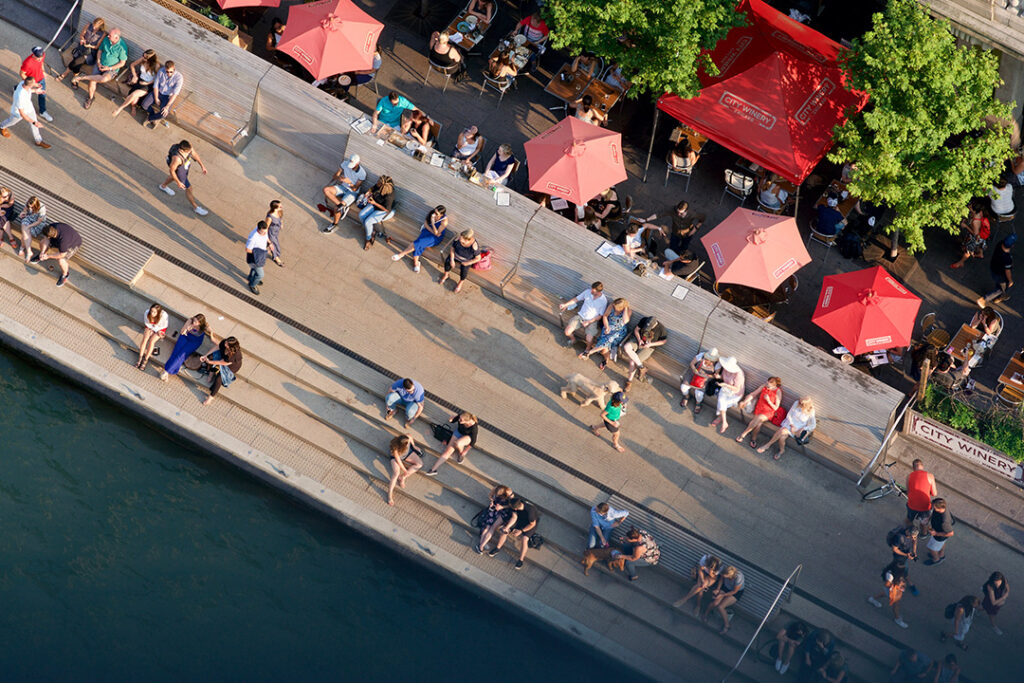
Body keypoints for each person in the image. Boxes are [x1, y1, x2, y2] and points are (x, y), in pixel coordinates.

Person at [71, 28, 127, 110]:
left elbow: (122, 63)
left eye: (110, 35)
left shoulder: (122, 48)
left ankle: (82, 77)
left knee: (103, 78)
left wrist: (109, 68)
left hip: (111, 69)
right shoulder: (106, 40)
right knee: (92, 81)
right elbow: (100, 51)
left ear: (116, 37)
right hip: (100, 64)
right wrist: (98, 61)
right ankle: (90, 98)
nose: (108, 36)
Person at [159, 140, 210, 216]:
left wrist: (202, 166)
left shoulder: (188, 148)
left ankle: (163, 186)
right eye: (187, 152)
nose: (189, 153)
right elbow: (172, 170)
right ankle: (196, 207)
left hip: (183, 165)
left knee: (174, 177)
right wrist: (178, 182)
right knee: (189, 188)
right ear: (181, 150)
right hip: (178, 168)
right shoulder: (177, 159)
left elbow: (195, 154)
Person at [392, 205, 449, 273]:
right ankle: (416, 262)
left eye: (437, 213)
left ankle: (401, 254)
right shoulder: (432, 213)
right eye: (435, 211)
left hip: (435, 238)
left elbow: (437, 234)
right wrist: (432, 230)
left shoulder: (444, 221)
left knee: (419, 242)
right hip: (428, 230)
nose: (434, 214)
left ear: (441, 215)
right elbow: (426, 224)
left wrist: (433, 222)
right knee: (420, 243)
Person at [159, 314, 214, 382]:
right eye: (194, 320)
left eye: (196, 322)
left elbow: (211, 331)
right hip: (185, 336)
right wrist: (187, 328)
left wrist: (211, 335)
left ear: (200, 323)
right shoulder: (190, 321)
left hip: (195, 341)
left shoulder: (204, 326)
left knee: (181, 355)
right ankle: (169, 370)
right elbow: (182, 331)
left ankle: (166, 371)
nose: (194, 323)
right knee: (176, 351)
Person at [0, 77, 51, 149]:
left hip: (29, 108)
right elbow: (22, 114)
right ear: (30, 85)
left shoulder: (23, 83)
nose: (36, 84)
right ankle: (2, 126)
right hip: (18, 113)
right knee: (12, 122)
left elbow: (29, 90)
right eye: (34, 83)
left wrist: (36, 90)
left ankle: (38, 141)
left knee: (34, 125)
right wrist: (34, 122)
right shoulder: (20, 97)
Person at [488, 497, 538, 569]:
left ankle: (521, 560)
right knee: (505, 531)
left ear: (515, 509)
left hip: (529, 523)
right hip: (520, 520)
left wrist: (521, 531)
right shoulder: (518, 503)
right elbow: (514, 517)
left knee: (524, 539)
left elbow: (532, 524)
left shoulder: (530, 511)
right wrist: (507, 527)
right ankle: (497, 548)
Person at [581, 298, 631, 370]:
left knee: (609, 340)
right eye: (615, 307)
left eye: (617, 308)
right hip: (608, 327)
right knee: (604, 349)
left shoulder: (628, 311)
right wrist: (607, 327)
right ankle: (606, 360)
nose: (615, 309)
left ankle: (588, 352)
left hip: (618, 332)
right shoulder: (612, 305)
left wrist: (625, 308)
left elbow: (625, 321)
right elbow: (605, 316)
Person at [319, 155, 366, 229]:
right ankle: (341, 206)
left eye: (353, 166)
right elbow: (335, 176)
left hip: (352, 192)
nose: (350, 167)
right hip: (342, 187)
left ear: (358, 163)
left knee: (336, 208)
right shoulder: (345, 163)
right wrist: (339, 178)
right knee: (326, 190)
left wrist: (349, 183)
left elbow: (355, 189)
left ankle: (334, 224)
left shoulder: (362, 173)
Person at [559, 281, 608, 353]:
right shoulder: (587, 292)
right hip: (580, 316)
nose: (591, 291)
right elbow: (576, 299)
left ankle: (588, 349)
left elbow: (600, 316)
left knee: (589, 339)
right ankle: (573, 340)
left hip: (592, 321)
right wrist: (565, 305)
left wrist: (588, 322)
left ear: (599, 292)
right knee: (567, 332)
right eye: (591, 289)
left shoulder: (603, 300)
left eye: (593, 291)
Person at [735, 376, 782, 448]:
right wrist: (745, 402)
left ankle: (743, 434)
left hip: (768, 412)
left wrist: (768, 400)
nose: (768, 383)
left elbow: (776, 407)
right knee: (758, 424)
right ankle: (753, 439)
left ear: (775, 384)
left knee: (759, 419)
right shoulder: (764, 386)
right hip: (759, 408)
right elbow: (753, 394)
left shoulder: (778, 391)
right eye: (768, 381)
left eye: (771, 382)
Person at [621, 315, 667, 388]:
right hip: (637, 340)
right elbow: (636, 330)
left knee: (633, 362)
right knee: (626, 347)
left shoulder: (661, 329)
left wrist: (651, 344)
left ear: (655, 324)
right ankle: (642, 367)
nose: (647, 328)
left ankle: (629, 381)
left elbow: (664, 341)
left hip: (649, 347)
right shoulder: (644, 320)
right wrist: (639, 340)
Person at [111, 49, 159, 119]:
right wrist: (135, 76)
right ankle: (133, 107)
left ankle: (119, 109)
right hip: (139, 80)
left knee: (134, 95)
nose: (144, 58)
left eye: (146, 57)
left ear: (151, 59)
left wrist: (147, 83)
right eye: (143, 56)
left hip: (147, 85)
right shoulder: (143, 59)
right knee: (133, 99)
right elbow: (132, 65)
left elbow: (156, 79)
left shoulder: (156, 65)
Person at [58, 17, 107, 83]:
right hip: (82, 47)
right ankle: (76, 77)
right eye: (93, 25)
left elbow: (97, 47)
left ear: (100, 27)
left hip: (90, 52)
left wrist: (90, 46)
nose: (93, 28)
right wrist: (82, 39)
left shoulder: (102, 34)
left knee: (77, 61)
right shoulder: (88, 25)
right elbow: (81, 35)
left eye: (96, 27)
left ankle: (65, 73)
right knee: (78, 62)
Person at [34, 223, 82, 288]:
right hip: (60, 238)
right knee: (42, 242)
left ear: (50, 236)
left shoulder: (63, 242)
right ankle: (42, 255)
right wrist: (42, 252)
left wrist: (48, 256)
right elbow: (46, 239)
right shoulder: (52, 227)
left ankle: (65, 275)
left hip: (74, 244)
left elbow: (62, 254)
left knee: (61, 260)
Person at [200, 336, 242, 406]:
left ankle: (211, 397)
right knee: (210, 357)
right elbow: (217, 347)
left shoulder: (235, 354)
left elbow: (221, 362)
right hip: (223, 358)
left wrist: (210, 362)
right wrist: (205, 355)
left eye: (227, 344)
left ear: (231, 347)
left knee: (219, 379)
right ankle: (211, 373)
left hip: (231, 366)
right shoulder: (224, 343)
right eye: (226, 342)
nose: (225, 343)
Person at [702, 565, 744, 634]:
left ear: (729, 576)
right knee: (715, 603)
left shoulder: (739, 577)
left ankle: (727, 625)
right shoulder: (724, 571)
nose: (724, 577)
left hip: (735, 592)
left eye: (725, 576)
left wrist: (722, 595)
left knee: (720, 607)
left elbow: (734, 591)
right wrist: (718, 589)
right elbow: (721, 579)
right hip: (725, 587)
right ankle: (705, 614)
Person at [976, 234, 1014, 307]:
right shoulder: (1007, 258)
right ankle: (983, 300)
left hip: (994, 268)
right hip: (1001, 275)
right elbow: (1007, 271)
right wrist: (1010, 280)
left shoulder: (1000, 244)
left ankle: (1001, 296)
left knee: (1001, 285)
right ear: (1012, 246)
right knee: (1000, 288)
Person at [141, 61, 184, 128]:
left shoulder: (179, 77)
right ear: (165, 69)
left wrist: (167, 106)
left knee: (164, 114)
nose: (169, 73)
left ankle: (150, 118)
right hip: (158, 92)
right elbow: (155, 86)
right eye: (167, 71)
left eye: (171, 72)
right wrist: (156, 98)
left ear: (174, 69)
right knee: (144, 105)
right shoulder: (161, 71)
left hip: (168, 96)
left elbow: (175, 94)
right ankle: (154, 116)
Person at [357, 175, 395, 249]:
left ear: (383, 186)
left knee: (368, 222)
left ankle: (368, 239)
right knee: (361, 215)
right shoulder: (378, 185)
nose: (377, 182)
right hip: (374, 204)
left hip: (382, 210)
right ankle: (371, 231)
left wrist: (374, 203)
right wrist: (368, 192)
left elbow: (386, 209)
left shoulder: (389, 196)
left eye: (378, 182)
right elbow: (372, 188)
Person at [867, 561, 909, 628]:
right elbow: (887, 585)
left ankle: (872, 599)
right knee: (896, 604)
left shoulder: (895, 571)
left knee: (884, 594)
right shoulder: (891, 576)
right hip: (893, 590)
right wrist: (897, 586)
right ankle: (897, 619)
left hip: (894, 589)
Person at [679, 347, 720, 415]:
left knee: (699, 394)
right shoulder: (701, 355)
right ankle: (686, 396)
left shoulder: (717, 363)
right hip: (693, 375)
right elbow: (692, 364)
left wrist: (710, 376)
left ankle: (698, 403)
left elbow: (715, 375)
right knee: (683, 387)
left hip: (704, 379)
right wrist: (695, 370)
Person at [476, 484, 516, 553]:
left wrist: (502, 507)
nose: (497, 496)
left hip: (503, 512)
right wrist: (492, 502)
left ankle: (481, 545)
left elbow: (511, 505)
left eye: (499, 495)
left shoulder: (510, 494)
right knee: (487, 527)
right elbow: (490, 495)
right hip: (495, 509)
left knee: (492, 527)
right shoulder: (497, 489)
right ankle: (481, 546)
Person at [385, 434, 423, 507]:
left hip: (407, 454)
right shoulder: (395, 449)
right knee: (396, 473)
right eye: (407, 444)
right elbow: (399, 461)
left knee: (420, 464)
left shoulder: (406, 438)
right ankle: (389, 495)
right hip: (396, 458)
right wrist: (405, 470)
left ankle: (402, 478)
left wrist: (413, 445)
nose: (408, 443)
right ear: (402, 445)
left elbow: (410, 436)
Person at [950, 201, 991, 269]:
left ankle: (961, 262)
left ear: (975, 211)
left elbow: (975, 234)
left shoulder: (975, 222)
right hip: (982, 237)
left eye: (971, 208)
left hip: (975, 238)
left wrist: (965, 226)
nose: (969, 208)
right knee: (979, 245)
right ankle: (980, 253)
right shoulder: (980, 215)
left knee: (968, 251)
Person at [710, 356, 744, 434]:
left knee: (722, 403)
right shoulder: (725, 368)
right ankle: (724, 421)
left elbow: (737, 389)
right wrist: (719, 377)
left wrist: (725, 385)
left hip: (735, 393)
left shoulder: (739, 374)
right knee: (721, 401)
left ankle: (721, 418)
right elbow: (723, 377)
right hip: (725, 388)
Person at [904, 459, 937, 534]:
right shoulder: (930, 476)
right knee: (924, 523)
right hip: (925, 507)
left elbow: (908, 492)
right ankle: (923, 534)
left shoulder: (909, 476)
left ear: (913, 468)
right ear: (922, 466)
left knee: (909, 519)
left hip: (912, 505)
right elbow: (934, 493)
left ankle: (910, 531)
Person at [19, 47, 51, 122]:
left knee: (42, 94)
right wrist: (32, 83)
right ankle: (16, 88)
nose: (40, 59)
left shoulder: (42, 55)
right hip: (32, 81)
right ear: (33, 55)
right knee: (26, 94)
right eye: (38, 57)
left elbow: (41, 63)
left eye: (41, 57)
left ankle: (42, 112)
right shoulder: (27, 63)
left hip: (41, 79)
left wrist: (43, 71)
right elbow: (22, 74)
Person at [244, 221, 274, 295]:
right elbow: (248, 249)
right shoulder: (253, 237)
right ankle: (252, 285)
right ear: (258, 229)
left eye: (265, 231)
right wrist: (263, 253)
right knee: (260, 274)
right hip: (254, 258)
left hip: (259, 256)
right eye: (263, 232)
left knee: (254, 269)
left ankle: (251, 278)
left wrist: (270, 243)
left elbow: (266, 237)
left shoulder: (264, 230)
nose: (264, 233)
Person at [136, 303, 168, 371]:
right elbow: (147, 323)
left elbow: (164, 325)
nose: (152, 313)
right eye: (151, 311)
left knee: (152, 341)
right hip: (150, 326)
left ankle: (145, 360)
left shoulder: (164, 316)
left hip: (160, 328)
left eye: (154, 312)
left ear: (158, 312)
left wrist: (156, 330)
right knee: (145, 339)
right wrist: (151, 329)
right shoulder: (147, 313)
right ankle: (140, 358)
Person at [16, 196, 48, 262]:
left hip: (38, 223)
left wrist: (29, 226)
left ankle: (23, 247)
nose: (30, 208)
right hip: (29, 218)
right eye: (29, 206)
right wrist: (23, 213)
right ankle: (29, 251)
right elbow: (25, 210)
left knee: (25, 231)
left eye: (32, 207)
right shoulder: (28, 202)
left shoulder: (42, 208)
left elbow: (39, 221)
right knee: (25, 228)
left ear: (36, 205)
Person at [924, 498, 954, 565]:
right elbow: (933, 513)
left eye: (933, 506)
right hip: (940, 535)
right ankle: (941, 555)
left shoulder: (944, 521)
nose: (932, 507)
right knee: (942, 543)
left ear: (939, 508)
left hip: (939, 537)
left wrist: (936, 533)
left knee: (931, 548)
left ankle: (936, 559)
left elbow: (951, 533)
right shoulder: (941, 509)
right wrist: (928, 518)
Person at [980, 571, 1009, 635]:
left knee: (983, 607)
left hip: (996, 598)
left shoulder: (1004, 580)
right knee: (992, 615)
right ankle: (994, 626)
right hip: (991, 600)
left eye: (999, 582)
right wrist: (1004, 597)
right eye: (995, 582)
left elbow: (1007, 587)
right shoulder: (990, 586)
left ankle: (976, 610)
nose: (997, 584)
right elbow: (993, 602)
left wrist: (1007, 592)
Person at [265, 200, 284, 267]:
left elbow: (280, 218)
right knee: (275, 245)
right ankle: (276, 258)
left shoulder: (279, 212)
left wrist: (281, 224)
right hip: (271, 233)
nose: (281, 207)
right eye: (280, 206)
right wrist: (267, 238)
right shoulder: (270, 217)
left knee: (272, 244)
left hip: (276, 232)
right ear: (275, 208)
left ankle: (264, 247)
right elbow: (266, 227)